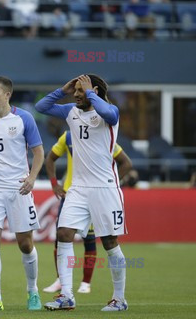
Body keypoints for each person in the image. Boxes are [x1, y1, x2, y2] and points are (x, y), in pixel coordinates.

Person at [35, 74, 129, 311]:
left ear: (94, 91)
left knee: (109, 242)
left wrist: (91, 95)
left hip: (105, 187)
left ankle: (119, 299)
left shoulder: (109, 112)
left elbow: (110, 114)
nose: (76, 95)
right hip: (77, 188)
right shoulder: (71, 111)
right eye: (75, 91)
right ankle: (66, 295)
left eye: (80, 91)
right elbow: (42, 107)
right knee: (64, 234)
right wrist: (62, 90)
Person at [0, 76, 45, 311]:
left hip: (18, 187)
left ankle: (32, 291)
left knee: (25, 244)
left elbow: (39, 152)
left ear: (7, 94)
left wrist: (32, 178)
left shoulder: (23, 118)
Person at [43, 131, 133, 294]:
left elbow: (126, 162)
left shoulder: (104, 136)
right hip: (71, 193)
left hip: (97, 194)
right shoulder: (69, 136)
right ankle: (62, 283)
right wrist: (54, 183)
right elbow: (50, 158)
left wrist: (111, 183)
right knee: (61, 236)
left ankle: (86, 282)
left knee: (94, 240)